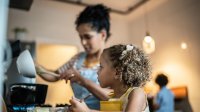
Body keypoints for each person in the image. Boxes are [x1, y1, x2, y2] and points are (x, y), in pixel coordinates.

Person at [36, 4, 111, 110]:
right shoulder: (77, 59)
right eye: (81, 37)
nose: (83, 42)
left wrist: (83, 81)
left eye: (88, 37)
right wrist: (35, 66)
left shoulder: (114, 60)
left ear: (103, 34)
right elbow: (54, 76)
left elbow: (115, 97)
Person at [69, 44, 152, 112]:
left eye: (101, 67)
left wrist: (86, 111)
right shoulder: (114, 96)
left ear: (117, 72)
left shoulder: (137, 93)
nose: (97, 71)